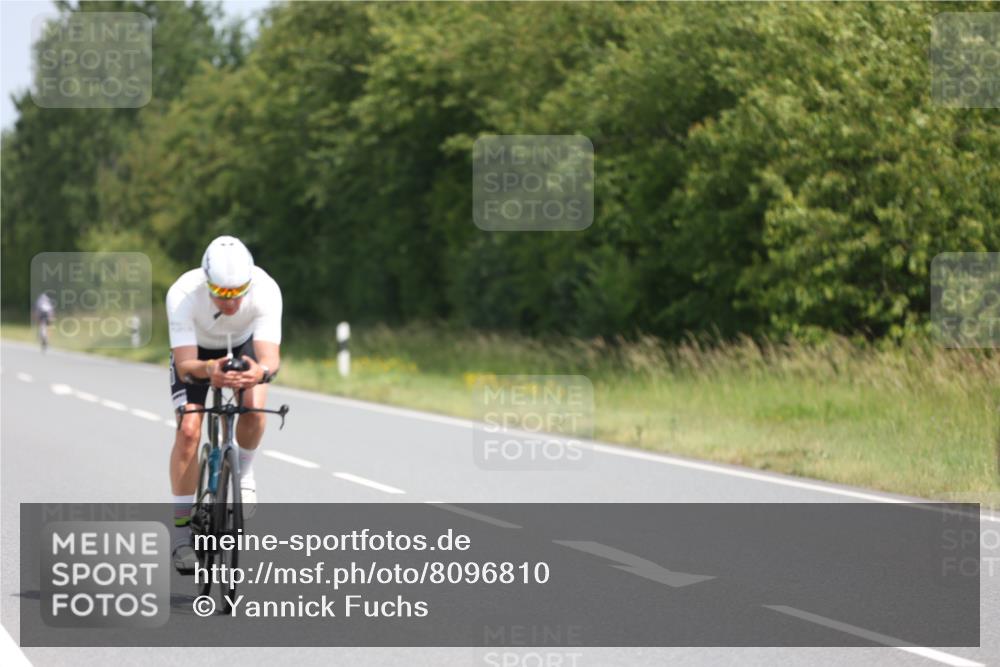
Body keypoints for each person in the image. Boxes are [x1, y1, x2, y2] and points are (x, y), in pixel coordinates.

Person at [166, 235, 282, 573]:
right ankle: (181, 537)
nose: (230, 303)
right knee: (189, 429)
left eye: (237, 292)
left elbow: (270, 359)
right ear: (207, 283)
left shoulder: (266, 289)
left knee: (254, 411)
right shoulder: (183, 294)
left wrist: (257, 371)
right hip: (197, 354)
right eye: (222, 293)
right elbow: (186, 365)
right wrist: (210, 371)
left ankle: (243, 473)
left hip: (243, 346)